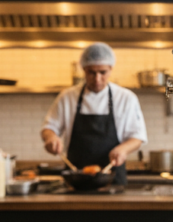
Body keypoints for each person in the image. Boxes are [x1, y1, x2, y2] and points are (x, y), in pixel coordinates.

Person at [41, 43, 146, 185]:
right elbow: (49, 128)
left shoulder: (126, 98)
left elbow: (137, 137)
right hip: (76, 179)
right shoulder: (67, 97)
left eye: (102, 72)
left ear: (110, 69)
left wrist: (123, 149)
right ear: (84, 69)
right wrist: (51, 138)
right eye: (91, 72)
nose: (97, 79)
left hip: (113, 179)